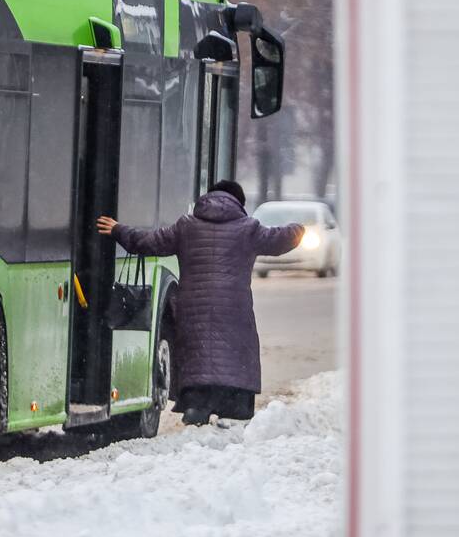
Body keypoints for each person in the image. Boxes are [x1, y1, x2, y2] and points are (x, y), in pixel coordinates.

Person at [96, 180, 304, 425]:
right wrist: (299, 228)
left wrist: (119, 229)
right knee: (231, 353)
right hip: (233, 309)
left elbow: (148, 241)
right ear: (238, 202)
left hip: (193, 307)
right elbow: (281, 239)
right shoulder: (248, 229)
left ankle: (197, 404)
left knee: (198, 352)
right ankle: (231, 404)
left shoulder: (186, 226)